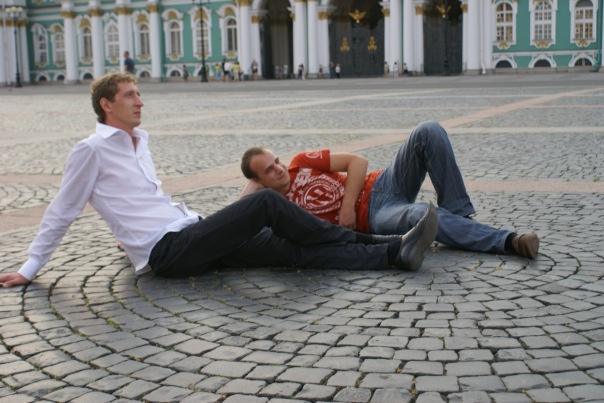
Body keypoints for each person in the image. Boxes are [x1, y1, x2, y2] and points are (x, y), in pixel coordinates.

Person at [0, 72, 439, 289]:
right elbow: (63, 208)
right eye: (130, 95)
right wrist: (30, 267)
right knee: (265, 204)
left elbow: (135, 202)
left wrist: (125, 235)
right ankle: (375, 241)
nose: (140, 101)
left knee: (285, 249)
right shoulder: (91, 150)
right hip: (168, 251)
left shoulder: (139, 143)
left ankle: (392, 254)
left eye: (139, 93)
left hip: (190, 229)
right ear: (106, 105)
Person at [239, 121, 540, 259]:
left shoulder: (301, 162)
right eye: (269, 170)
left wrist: (346, 207)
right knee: (420, 214)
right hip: (377, 216)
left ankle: (460, 217)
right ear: (259, 182)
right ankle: (509, 241)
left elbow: (358, 162)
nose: (279, 168)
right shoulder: (276, 210)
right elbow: (238, 220)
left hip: (384, 182)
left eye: (276, 160)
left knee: (427, 131)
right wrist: (252, 186)